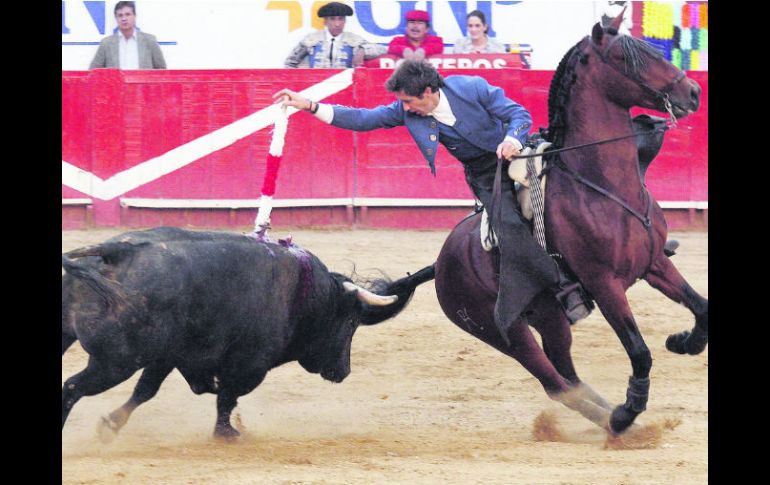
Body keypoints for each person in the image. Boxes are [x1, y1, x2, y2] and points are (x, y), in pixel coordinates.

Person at [272, 60, 591, 342]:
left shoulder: (471, 87)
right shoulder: (406, 111)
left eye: (409, 101)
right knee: (509, 228)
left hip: (519, 152)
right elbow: (363, 119)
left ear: (428, 91)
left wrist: (511, 138)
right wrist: (309, 105)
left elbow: (517, 114)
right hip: (485, 174)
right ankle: (565, 289)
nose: (406, 107)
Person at [284, 2, 386, 68]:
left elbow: (382, 49)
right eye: (332, 19)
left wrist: (363, 50)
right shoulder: (311, 40)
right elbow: (290, 63)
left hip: (345, 89)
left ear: (345, 21)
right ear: (325, 21)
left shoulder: (354, 40)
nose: (337, 24)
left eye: (340, 19)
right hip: (314, 89)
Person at [89, 1, 166, 70]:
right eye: (120, 15)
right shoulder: (106, 43)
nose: (124, 19)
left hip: (142, 86)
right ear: (116, 18)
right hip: (116, 85)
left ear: (135, 16)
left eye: (128, 14)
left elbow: (162, 71)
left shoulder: (150, 41)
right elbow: (93, 71)